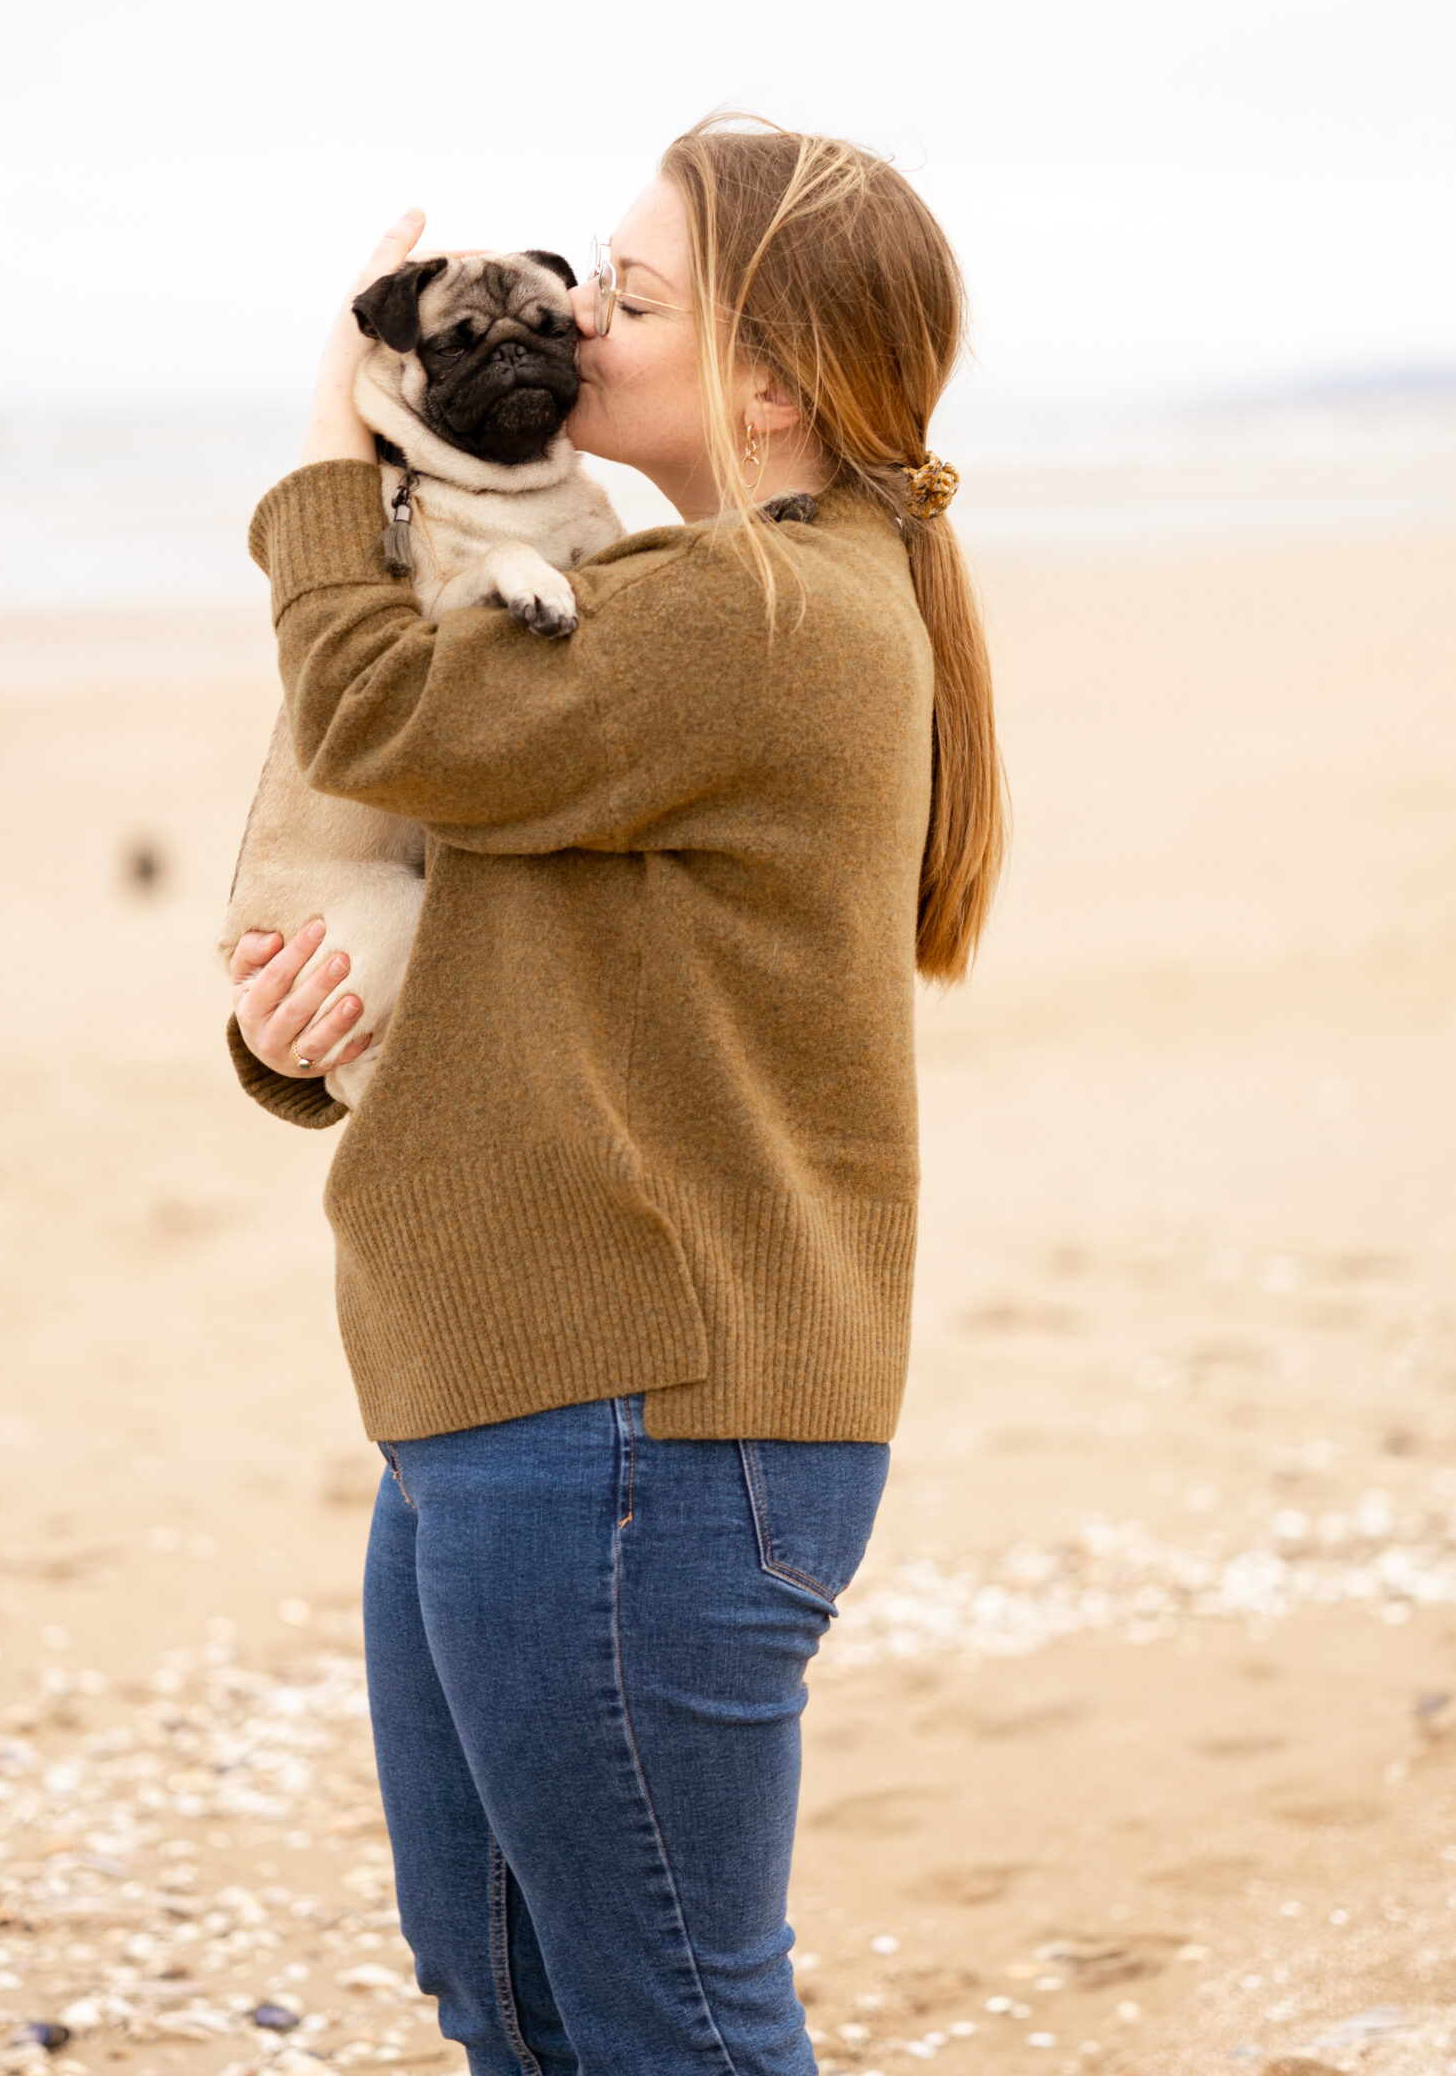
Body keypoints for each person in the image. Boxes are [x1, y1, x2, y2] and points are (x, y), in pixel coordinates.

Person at [226, 119, 1005, 2076]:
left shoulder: (758, 613)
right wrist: (311, 1011)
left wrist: (333, 442)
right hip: (507, 1392)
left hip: (640, 1417)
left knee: (663, 2006)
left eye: (631, 292)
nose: (572, 311)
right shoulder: (671, 597)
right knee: (510, 1991)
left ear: (764, 376)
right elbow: (442, 857)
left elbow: (381, 709)